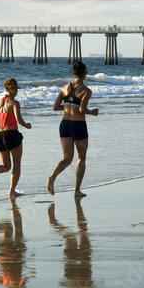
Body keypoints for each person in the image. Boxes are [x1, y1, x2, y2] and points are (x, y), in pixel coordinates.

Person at [47, 61, 98, 198]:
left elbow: (55, 107)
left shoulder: (64, 88)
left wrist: (68, 107)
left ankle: (52, 177)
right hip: (78, 126)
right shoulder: (86, 91)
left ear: (74, 73)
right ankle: (77, 191)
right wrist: (92, 112)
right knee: (81, 158)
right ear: (84, 73)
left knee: (67, 159)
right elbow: (82, 109)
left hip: (64, 125)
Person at [0, 78, 32, 196]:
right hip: (12, 135)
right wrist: (27, 125)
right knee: (16, 165)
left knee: (6, 166)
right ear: (15, 89)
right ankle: (12, 191)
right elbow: (19, 120)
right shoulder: (14, 103)